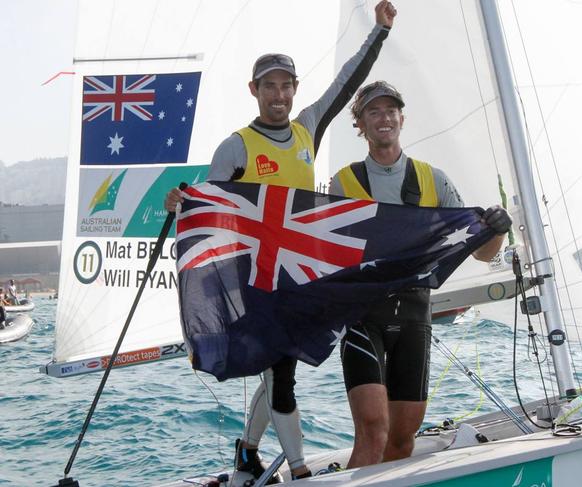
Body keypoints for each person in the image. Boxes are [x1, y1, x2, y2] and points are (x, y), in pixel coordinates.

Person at [165, 2, 398, 481]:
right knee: (282, 374)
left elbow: (347, 83)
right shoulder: (236, 146)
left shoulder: (307, 127)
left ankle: (248, 450)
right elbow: (209, 208)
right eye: (268, 85)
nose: (278, 94)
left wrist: (379, 32)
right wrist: (181, 204)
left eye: (285, 85)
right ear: (254, 91)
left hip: (299, 272)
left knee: (279, 364)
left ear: (294, 90)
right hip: (254, 279)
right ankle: (298, 469)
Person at [328, 81, 512, 468]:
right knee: (374, 429)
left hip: (414, 314)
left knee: (401, 437)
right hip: (364, 315)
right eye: (374, 111)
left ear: (402, 118)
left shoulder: (434, 179)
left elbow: (482, 252)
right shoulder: (344, 182)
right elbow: (330, 254)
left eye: (390, 110)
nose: (384, 118)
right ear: (360, 123)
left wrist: (497, 229)